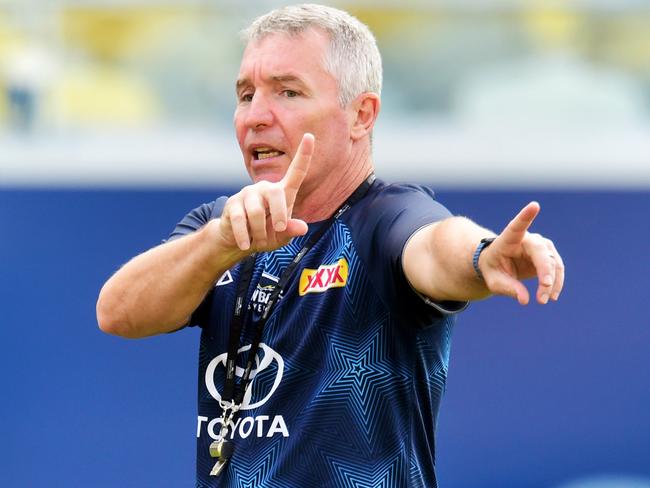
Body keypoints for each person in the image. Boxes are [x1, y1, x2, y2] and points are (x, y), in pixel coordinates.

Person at [96, 4, 565, 487]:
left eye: (288, 92)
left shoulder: (381, 219)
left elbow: (434, 245)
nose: (256, 116)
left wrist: (481, 255)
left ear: (360, 115)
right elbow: (118, 312)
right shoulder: (219, 225)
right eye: (245, 94)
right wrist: (218, 244)